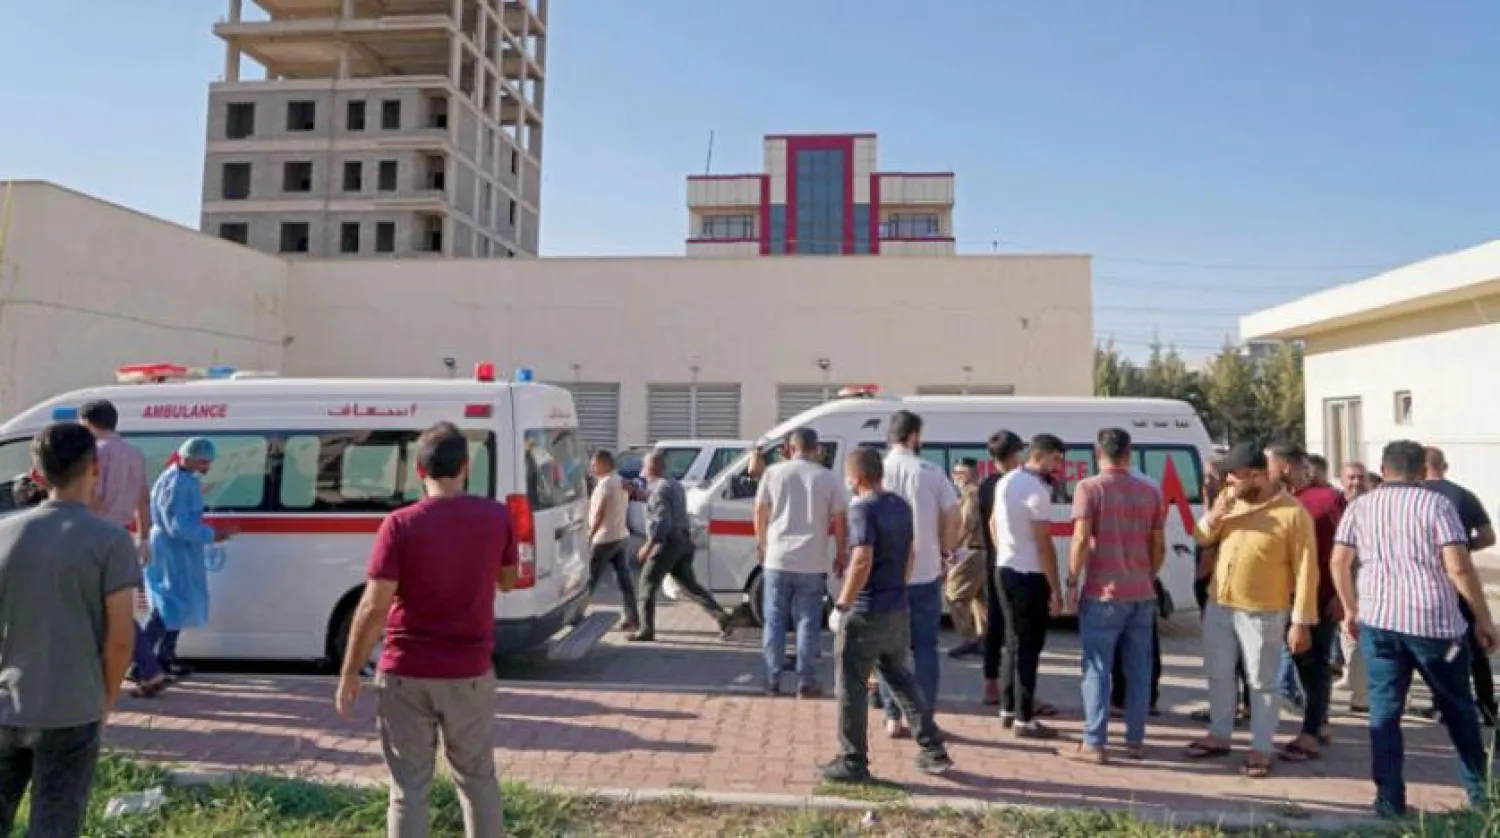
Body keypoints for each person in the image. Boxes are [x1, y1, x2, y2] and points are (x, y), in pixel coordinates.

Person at [335, 422, 517, 838]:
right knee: (478, 779)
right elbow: (508, 580)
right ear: (465, 467)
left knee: (408, 789)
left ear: (419, 471)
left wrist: (350, 672)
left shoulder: (399, 525)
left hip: (406, 672)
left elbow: (373, 606)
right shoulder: (496, 518)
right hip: (469, 671)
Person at [1330, 440, 1498, 818]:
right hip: (1434, 624)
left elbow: (1339, 560)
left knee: (1384, 712)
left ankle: (1389, 799)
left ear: (1383, 470)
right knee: (1458, 709)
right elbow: (1458, 566)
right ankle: (1480, 795)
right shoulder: (1437, 505)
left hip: (1379, 620)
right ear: (1423, 472)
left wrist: (1351, 608)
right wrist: (1483, 618)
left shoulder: (1360, 506)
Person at [0, 423, 139, 836]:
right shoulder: (111, 541)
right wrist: (105, 701)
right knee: (55, 825)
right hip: (72, 709)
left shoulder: (5, 533)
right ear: (95, 467)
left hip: (7, 704)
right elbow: (120, 640)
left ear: (36, 473)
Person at [1186, 443, 1318, 780]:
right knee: (1218, 672)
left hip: (1263, 611)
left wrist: (1301, 621)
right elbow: (1201, 537)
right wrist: (1215, 514)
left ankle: (1261, 748)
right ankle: (1220, 735)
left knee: (1261, 681)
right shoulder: (1229, 500)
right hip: (1220, 603)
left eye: (1235, 476)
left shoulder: (1293, 514)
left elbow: (1307, 570)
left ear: (1257, 475)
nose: (1228, 482)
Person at [821, 448, 953, 782]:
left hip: (866, 611)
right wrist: (899, 588)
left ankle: (852, 760)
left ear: (857, 477)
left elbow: (862, 559)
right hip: (897, 607)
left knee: (851, 684)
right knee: (901, 679)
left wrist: (842, 605)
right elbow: (911, 553)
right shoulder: (900, 505)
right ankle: (933, 748)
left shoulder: (862, 509)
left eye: (848, 476)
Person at [1061, 428, 1163, 764]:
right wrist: (1148, 573)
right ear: (1129, 453)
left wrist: (1072, 580)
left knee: (1097, 668)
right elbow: (1158, 544)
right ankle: (1136, 740)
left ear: (1097, 452)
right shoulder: (1150, 491)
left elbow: (1080, 539)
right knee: (1138, 669)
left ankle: (1094, 742)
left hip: (1103, 592)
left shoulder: (1089, 488)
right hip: (1141, 592)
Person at [876, 411, 959, 739]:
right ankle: (922, 718)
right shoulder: (931, 471)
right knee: (925, 647)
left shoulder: (877, 470)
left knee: (889, 649)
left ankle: (892, 716)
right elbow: (953, 513)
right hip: (925, 572)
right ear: (913, 436)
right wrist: (947, 551)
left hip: (886, 575)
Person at [80, 400, 169, 700]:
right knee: (114, 606)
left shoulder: (95, 453)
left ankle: (147, 667)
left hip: (94, 534)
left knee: (97, 607)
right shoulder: (134, 454)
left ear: (88, 422)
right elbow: (143, 499)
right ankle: (147, 668)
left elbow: (94, 496)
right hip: (123, 535)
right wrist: (143, 537)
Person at [1265, 442, 1346, 763]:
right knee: (1299, 662)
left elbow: (1347, 549)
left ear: (1284, 467)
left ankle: (1312, 732)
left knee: (1315, 664)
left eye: (1267, 465)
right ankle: (1319, 720)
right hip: (1283, 597)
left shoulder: (1327, 499)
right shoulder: (1276, 500)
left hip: (1320, 597)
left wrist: (1341, 595)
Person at [755, 428, 847, 697]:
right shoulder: (827, 477)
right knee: (808, 620)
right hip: (812, 559)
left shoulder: (774, 473)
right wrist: (841, 552)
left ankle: (772, 678)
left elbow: (760, 510)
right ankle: (806, 681)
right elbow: (840, 519)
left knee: (774, 619)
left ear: (790, 448)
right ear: (816, 449)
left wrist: (762, 543)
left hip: (777, 558)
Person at [992, 434, 1065, 739]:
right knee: (1029, 648)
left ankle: (1008, 708)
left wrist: (1006, 551)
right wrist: (1056, 589)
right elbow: (1044, 545)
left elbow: (993, 524)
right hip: (1030, 575)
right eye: (1056, 459)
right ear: (1040, 455)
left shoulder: (1005, 481)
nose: (1058, 466)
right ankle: (1025, 718)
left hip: (1005, 568)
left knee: (1012, 642)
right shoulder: (1037, 491)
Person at [140, 438, 230, 679]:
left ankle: (163, 659)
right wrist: (212, 535)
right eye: (203, 462)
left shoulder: (181, 478)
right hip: (173, 548)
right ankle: (140, 663)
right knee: (167, 605)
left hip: (174, 548)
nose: (206, 467)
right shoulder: (179, 483)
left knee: (174, 604)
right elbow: (178, 525)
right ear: (187, 458)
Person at [1421, 446, 1498, 726]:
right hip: (1461, 580)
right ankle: (1488, 706)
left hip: (1428, 581)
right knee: (1474, 645)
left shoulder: (1416, 496)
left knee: (1436, 646)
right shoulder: (1464, 495)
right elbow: (1488, 536)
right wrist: (1463, 549)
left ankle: (1442, 704)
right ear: (1445, 466)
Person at [633, 451, 735, 642]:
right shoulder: (674, 484)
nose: (642, 471)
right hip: (683, 541)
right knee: (689, 585)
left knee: (647, 584)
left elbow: (662, 522)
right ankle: (723, 617)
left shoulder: (659, 490)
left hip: (667, 543)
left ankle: (646, 629)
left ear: (652, 467)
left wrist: (648, 546)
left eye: (644, 467)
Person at [1189, 460, 1252, 726]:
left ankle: (1232, 708)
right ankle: (1241, 705)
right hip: (1220, 589)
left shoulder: (1225, 508)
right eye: (1204, 477)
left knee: (1228, 653)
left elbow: (1210, 550)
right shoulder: (1216, 506)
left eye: (1211, 477)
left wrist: (1200, 579)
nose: (1205, 482)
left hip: (1220, 590)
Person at [979, 431, 1025, 706]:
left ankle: (990, 683)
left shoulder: (986, 485)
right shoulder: (1016, 483)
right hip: (1013, 562)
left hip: (992, 562)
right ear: (1015, 454)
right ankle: (1016, 687)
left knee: (994, 625)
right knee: (1014, 629)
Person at [587, 450, 640, 634]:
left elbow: (600, 513)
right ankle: (633, 619)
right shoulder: (619, 480)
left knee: (590, 579)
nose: (592, 467)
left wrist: (590, 535)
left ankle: (575, 615)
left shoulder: (606, 484)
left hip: (604, 538)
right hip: (620, 535)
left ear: (605, 464)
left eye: (595, 464)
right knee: (625, 580)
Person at [944, 459, 987, 658]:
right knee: (979, 598)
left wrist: (951, 548)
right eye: (954, 473)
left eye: (960, 473)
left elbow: (966, 524)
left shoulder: (971, 494)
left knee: (955, 595)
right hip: (980, 551)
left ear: (971, 475)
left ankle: (970, 638)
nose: (955, 477)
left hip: (970, 551)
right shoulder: (977, 493)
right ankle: (984, 639)